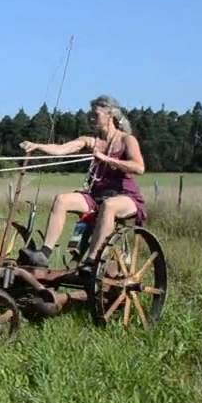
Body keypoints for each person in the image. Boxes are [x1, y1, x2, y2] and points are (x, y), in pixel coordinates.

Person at [17, 95, 147, 271]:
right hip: (95, 196)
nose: (92, 118)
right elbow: (62, 149)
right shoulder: (90, 141)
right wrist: (37, 146)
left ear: (111, 115)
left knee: (108, 206)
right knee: (62, 200)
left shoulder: (126, 140)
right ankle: (44, 254)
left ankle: (92, 261)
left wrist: (108, 160)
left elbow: (138, 167)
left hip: (125, 197)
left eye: (96, 114)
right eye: (91, 115)